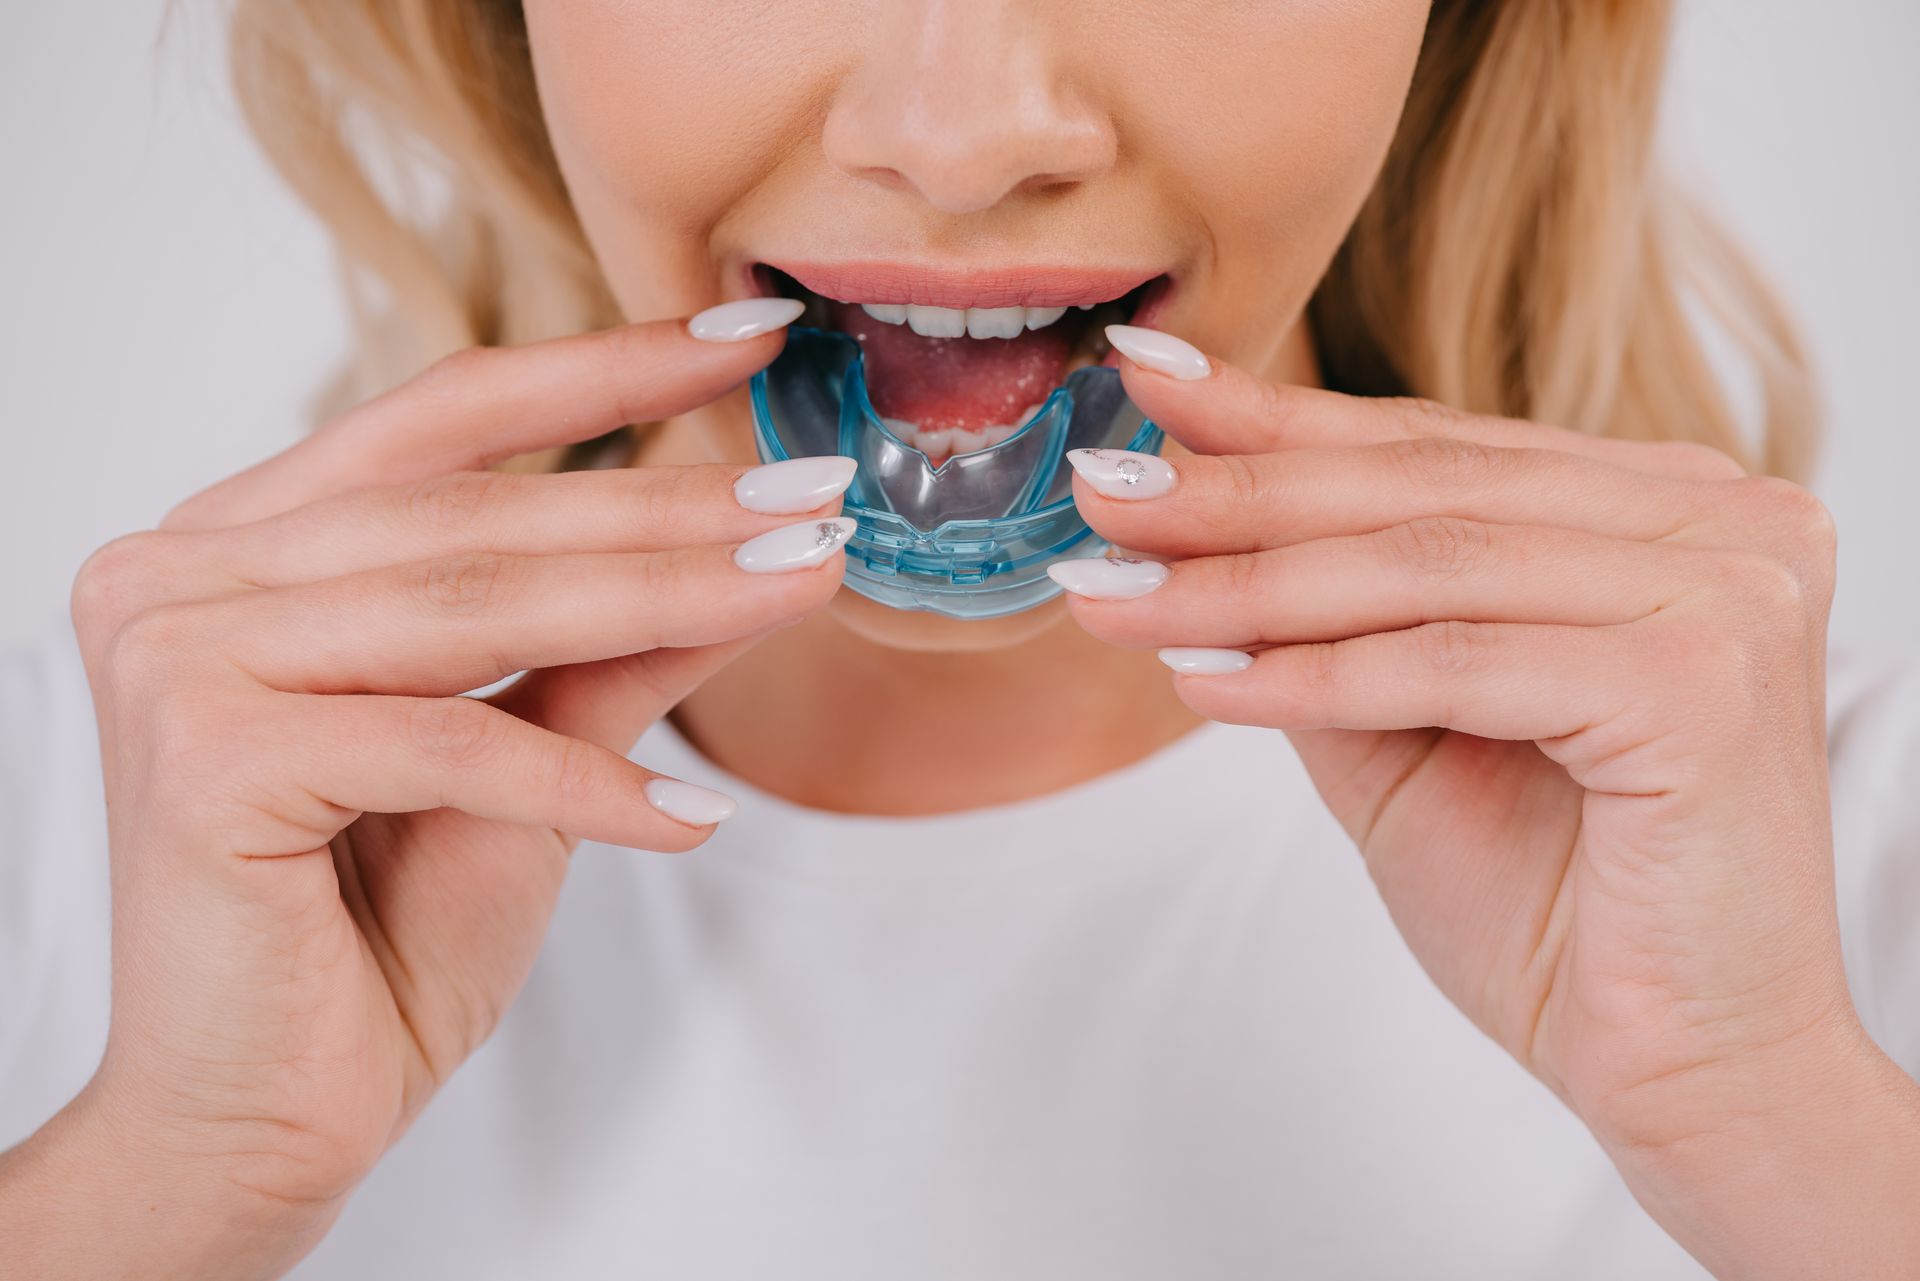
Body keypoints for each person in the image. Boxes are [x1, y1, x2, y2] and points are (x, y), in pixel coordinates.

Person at [3, 1, 1916, 1277]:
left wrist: (1781, 1135)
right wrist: (160, 1180)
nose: (969, 133)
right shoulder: (90, 854)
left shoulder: (1836, 869)